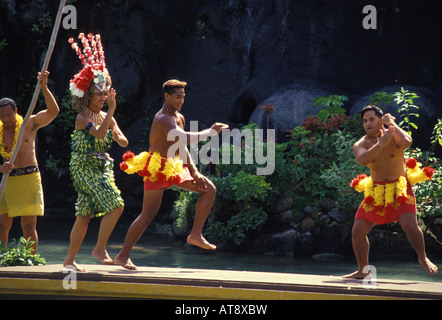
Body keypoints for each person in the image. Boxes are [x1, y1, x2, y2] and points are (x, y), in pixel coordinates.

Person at [115, 79, 229, 270]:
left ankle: (195, 235)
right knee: (147, 215)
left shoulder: (179, 117)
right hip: (157, 167)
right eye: (178, 97)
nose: (181, 100)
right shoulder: (162, 118)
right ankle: (122, 255)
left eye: (183, 97)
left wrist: (194, 171)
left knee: (208, 189)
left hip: (175, 166)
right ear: (166, 96)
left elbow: (181, 146)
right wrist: (209, 132)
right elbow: (182, 137)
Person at [344, 105, 438, 279]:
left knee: (409, 224)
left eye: (371, 119)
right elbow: (363, 160)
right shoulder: (361, 143)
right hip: (376, 190)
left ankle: (422, 257)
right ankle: (363, 271)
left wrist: (393, 125)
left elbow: (407, 142)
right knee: (358, 230)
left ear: (381, 120)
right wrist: (381, 143)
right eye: (365, 121)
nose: (367, 123)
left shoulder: (394, 134)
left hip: (399, 187)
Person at [63, 33, 128, 272]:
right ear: (88, 95)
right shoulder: (82, 118)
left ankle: (69, 261)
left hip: (102, 166)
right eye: (100, 94)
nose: (103, 98)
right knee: (116, 205)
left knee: (85, 214)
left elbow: (122, 141)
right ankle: (99, 249)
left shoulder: (106, 116)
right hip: (83, 167)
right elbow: (100, 134)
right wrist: (111, 113)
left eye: (105, 94)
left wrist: (118, 132)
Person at [0, 71, 60, 253]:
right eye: (2, 116)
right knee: (2, 224)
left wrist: (44, 87)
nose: (6, 119)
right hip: (8, 180)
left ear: (16, 112)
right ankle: (1, 258)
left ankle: (29, 260)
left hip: (29, 177)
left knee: (28, 224)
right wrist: (1, 167)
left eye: (9, 115)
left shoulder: (29, 123)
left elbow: (53, 112)